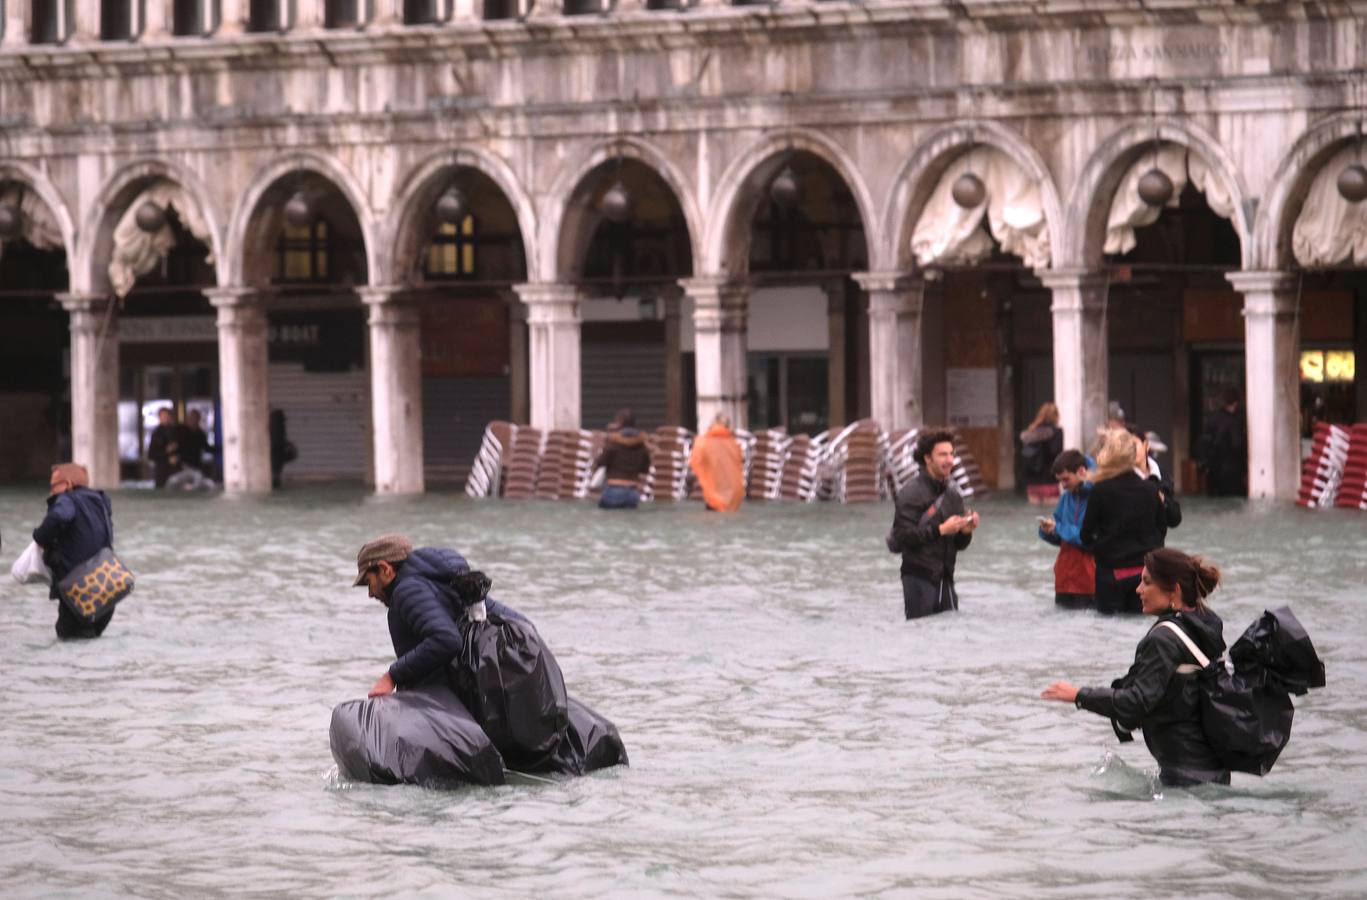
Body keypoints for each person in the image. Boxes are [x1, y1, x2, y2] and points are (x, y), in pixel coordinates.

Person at [1041, 547, 1230, 787]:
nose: (1138, 589)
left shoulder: (1163, 639)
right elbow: (1177, 695)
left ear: (1175, 590)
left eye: (1147, 582)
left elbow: (1137, 701)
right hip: (1212, 769)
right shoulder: (1203, 624)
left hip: (1185, 776)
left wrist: (1079, 695)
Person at [352, 534, 525, 698]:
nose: (370, 593)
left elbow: (447, 639)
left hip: (449, 701)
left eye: (369, 582)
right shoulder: (442, 581)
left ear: (385, 569)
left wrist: (391, 676)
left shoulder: (407, 591)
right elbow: (520, 624)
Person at [886, 429, 979, 620]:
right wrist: (941, 530)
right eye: (943, 455)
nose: (949, 460)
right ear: (928, 458)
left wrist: (966, 532)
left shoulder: (954, 496)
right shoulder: (910, 493)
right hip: (918, 578)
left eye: (952, 454)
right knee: (921, 638)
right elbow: (905, 537)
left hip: (946, 579)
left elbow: (959, 545)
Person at [1079, 429, 1166, 614]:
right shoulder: (1151, 489)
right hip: (1144, 574)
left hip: (1111, 572)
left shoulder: (1099, 490)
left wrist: (1102, 550)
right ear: (1133, 455)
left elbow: (1085, 535)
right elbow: (1161, 531)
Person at [32, 463, 119, 639]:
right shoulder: (101, 501)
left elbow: (58, 516)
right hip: (107, 591)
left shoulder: (67, 499)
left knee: (69, 642)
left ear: (68, 484)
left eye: (54, 486)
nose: (51, 492)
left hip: (79, 593)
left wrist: (39, 537)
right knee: (91, 642)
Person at [1037, 449, 1095, 609]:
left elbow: (1089, 538)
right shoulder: (1065, 498)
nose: (1063, 484)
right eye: (1060, 480)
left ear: (1081, 472)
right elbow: (1061, 534)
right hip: (1064, 579)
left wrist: (1059, 528)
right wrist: (1049, 530)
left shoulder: (1096, 497)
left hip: (1089, 580)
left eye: (1066, 479)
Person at [1129, 424, 1182, 544]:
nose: (1130, 451)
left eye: (1134, 445)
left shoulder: (1161, 474)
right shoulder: (1118, 478)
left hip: (1154, 551)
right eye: (1125, 447)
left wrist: (1163, 500)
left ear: (1146, 445)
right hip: (1126, 553)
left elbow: (1175, 519)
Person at [594, 409, 652, 509]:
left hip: (613, 489)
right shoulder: (642, 446)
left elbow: (600, 462)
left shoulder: (613, 443)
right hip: (632, 493)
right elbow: (645, 468)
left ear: (620, 423)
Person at [688, 413, 744, 512]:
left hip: (714, 495)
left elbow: (695, 461)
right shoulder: (734, 444)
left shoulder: (703, 442)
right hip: (734, 496)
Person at [1198, 388, 1246, 497]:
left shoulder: (1213, 419)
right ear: (1236, 403)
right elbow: (1237, 445)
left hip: (1213, 471)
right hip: (1231, 472)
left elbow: (1204, 442)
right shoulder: (1234, 422)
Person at [1019, 402, 1064, 505]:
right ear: (1056, 416)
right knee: (1050, 516)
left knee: (1034, 517)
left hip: (1032, 481)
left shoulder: (1030, 432)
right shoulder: (1056, 432)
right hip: (1049, 480)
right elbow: (1056, 454)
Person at [146, 406, 183, 488]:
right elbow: (151, 455)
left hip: (175, 472)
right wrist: (166, 451)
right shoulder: (156, 433)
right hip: (162, 473)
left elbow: (183, 449)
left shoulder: (177, 431)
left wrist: (177, 457)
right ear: (159, 417)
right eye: (163, 416)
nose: (165, 418)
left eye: (167, 416)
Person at [269, 409, 297, 489]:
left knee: (276, 469)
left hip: (276, 452)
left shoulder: (275, 426)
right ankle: (275, 481)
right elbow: (278, 440)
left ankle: (275, 481)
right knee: (276, 470)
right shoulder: (278, 426)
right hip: (276, 452)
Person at [179, 409, 213, 477]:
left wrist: (222, 449)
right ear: (188, 419)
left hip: (196, 464)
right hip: (183, 464)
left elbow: (206, 447)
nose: (193, 420)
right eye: (191, 418)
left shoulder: (200, 433)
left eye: (196, 418)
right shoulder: (180, 431)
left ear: (198, 419)